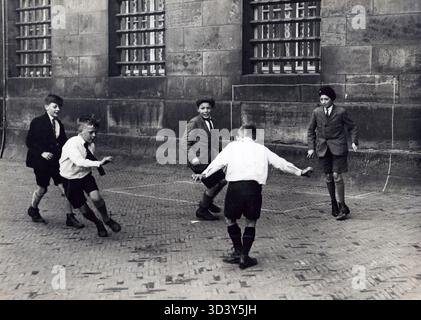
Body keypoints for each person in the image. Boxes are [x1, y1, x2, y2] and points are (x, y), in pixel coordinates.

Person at [193, 124, 313, 269]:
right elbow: (281, 164)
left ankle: (238, 250)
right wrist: (300, 172)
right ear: (255, 137)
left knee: (230, 219)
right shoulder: (262, 149)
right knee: (251, 222)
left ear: (240, 136)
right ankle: (244, 256)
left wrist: (203, 174)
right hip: (253, 189)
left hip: (235, 188)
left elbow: (217, 163)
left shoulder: (232, 147)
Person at [25, 94, 83, 228]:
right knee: (42, 188)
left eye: (59, 107)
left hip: (56, 163)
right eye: (55, 106)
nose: (58, 109)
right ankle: (33, 209)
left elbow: (63, 143)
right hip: (40, 162)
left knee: (65, 188)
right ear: (46, 107)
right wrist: (42, 152)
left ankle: (70, 217)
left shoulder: (58, 124)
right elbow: (30, 141)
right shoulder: (37, 121)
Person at [59, 116, 121, 237]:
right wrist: (99, 163)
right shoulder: (72, 144)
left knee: (96, 198)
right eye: (91, 132)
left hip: (85, 176)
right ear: (80, 131)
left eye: (95, 132)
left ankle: (107, 219)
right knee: (84, 210)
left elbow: (87, 160)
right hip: (70, 179)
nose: (94, 135)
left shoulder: (90, 145)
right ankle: (98, 223)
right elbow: (79, 161)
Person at [307, 86, 358, 221]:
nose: (323, 101)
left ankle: (342, 206)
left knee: (337, 176)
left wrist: (354, 142)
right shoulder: (317, 112)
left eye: (326, 99)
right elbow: (311, 131)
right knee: (328, 177)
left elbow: (352, 127)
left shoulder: (341, 112)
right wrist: (311, 148)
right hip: (323, 148)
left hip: (339, 147)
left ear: (332, 99)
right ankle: (333, 203)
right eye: (321, 99)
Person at [182, 97, 227, 221]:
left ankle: (207, 201)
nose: (205, 110)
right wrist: (193, 158)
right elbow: (184, 142)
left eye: (208, 108)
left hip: (210, 158)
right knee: (216, 183)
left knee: (222, 180)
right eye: (202, 108)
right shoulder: (194, 122)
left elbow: (214, 141)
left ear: (211, 109)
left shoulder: (212, 121)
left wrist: (221, 157)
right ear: (198, 109)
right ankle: (202, 210)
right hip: (198, 160)